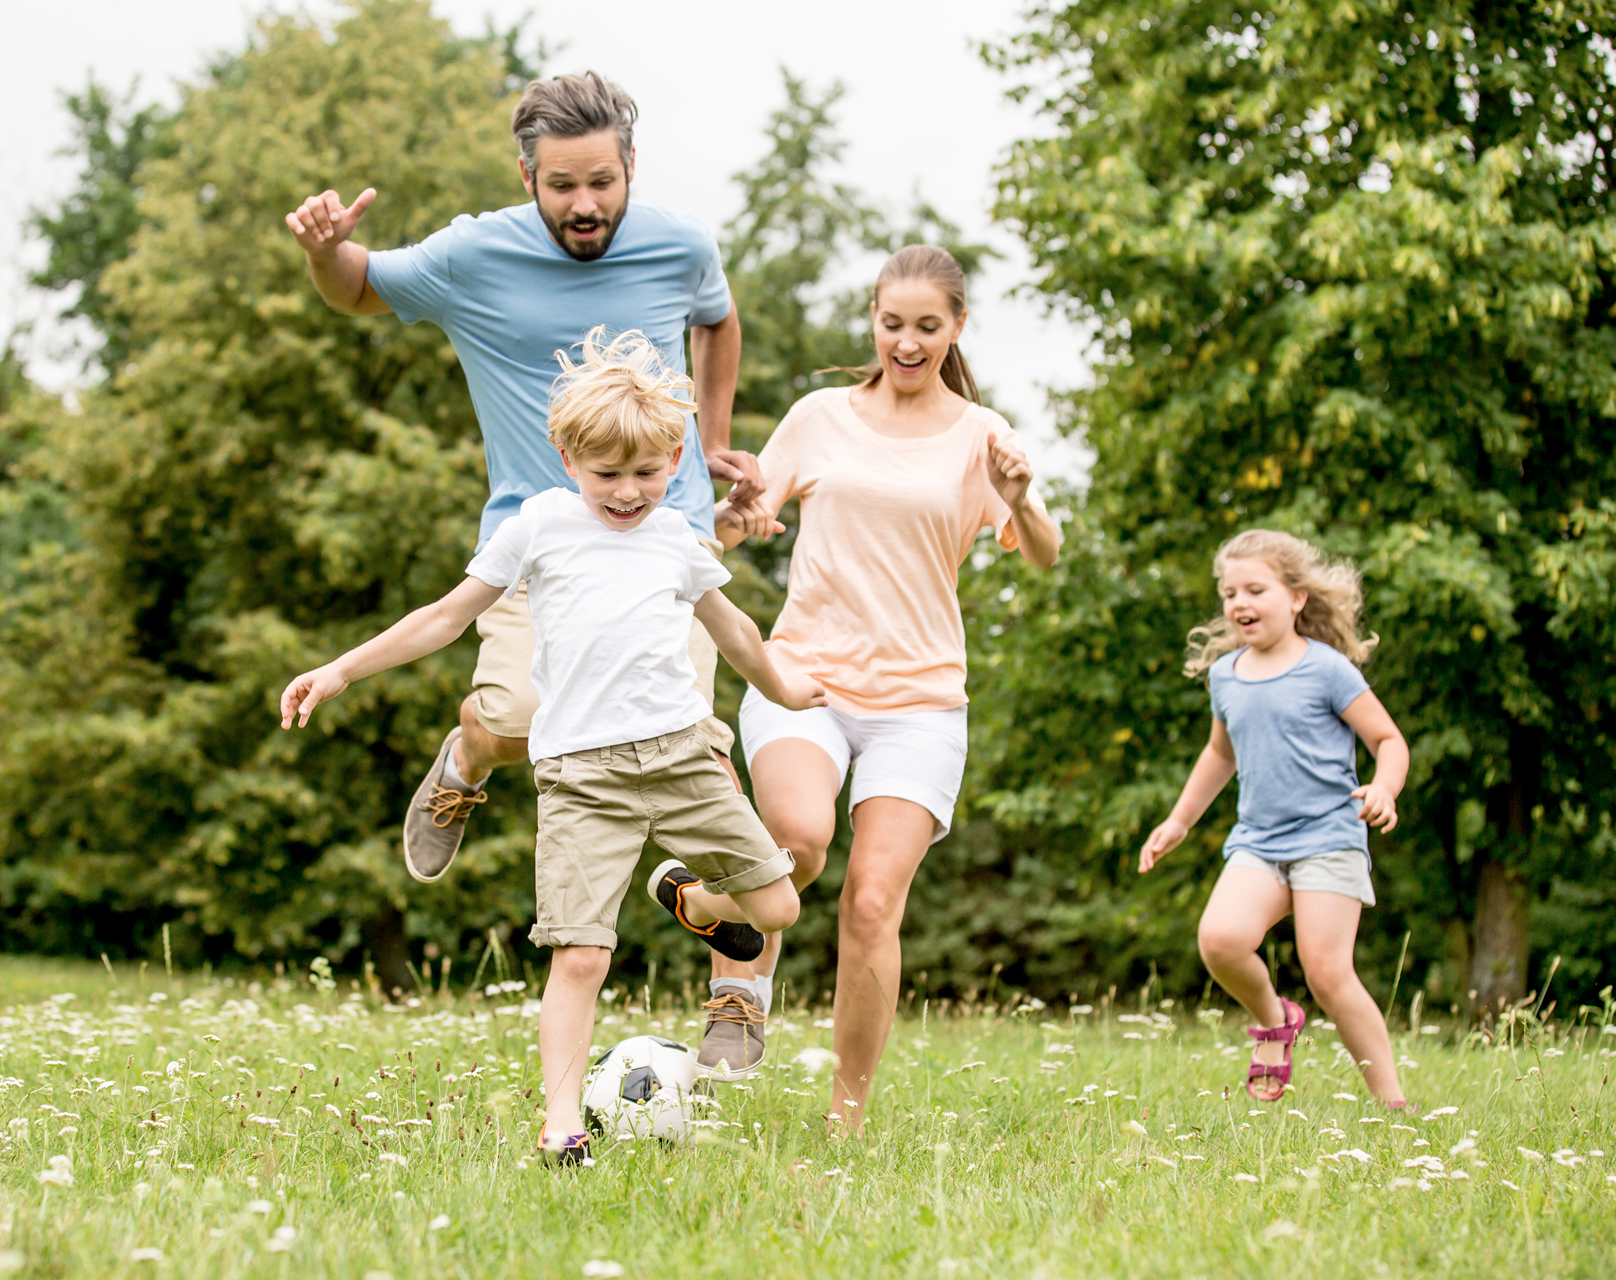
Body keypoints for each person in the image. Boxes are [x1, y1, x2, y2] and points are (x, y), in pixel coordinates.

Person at [277, 330, 824, 1163]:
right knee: (579, 956)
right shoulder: (540, 527)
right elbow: (446, 616)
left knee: (778, 906)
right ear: (566, 456)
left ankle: (689, 897)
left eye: (647, 474)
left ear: (675, 458)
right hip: (582, 780)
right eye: (607, 474)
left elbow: (737, 631)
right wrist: (343, 669)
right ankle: (561, 1123)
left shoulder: (678, 538)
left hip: (680, 761)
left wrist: (789, 690)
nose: (628, 492)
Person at [283, 72, 759, 886]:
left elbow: (715, 316)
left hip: (666, 535)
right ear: (526, 176)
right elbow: (356, 288)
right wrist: (326, 251)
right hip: (535, 547)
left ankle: (737, 999)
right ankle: (468, 753)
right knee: (518, 722)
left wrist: (710, 440)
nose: (584, 204)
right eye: (563, 184)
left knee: (699, 752)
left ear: (632, 167)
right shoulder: (473, 256)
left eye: (602, 182)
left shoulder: (681, 245)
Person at [688, 245, 1060, 1132]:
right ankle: (733, 968)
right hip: (804, 674)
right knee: (798, 842)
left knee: (871, 901)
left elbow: (1043, 554)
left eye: (927, 326)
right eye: (892, 324)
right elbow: (732, 529)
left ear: (956, 328)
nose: (906, 342)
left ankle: (845, 1116)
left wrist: (1023, 496)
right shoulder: (821, 417)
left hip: (922, 703)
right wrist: (735, 522)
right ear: (874, 322)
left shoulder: (981, 437)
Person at [1139, 529, 1411, 1108]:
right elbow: (1220, 754)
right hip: (1259, 841)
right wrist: (1179, 821)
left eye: (1255, 589)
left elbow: (1388, 739)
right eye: (1229, 592)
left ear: (1296, 598)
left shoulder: (1328, 670)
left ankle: (1393, 1105)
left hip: (1329, 837)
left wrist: (1385, 788)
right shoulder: (1226, 676)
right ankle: (1274, 1018)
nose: (1239, 603)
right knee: (1220, 939)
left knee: (1328, 974)